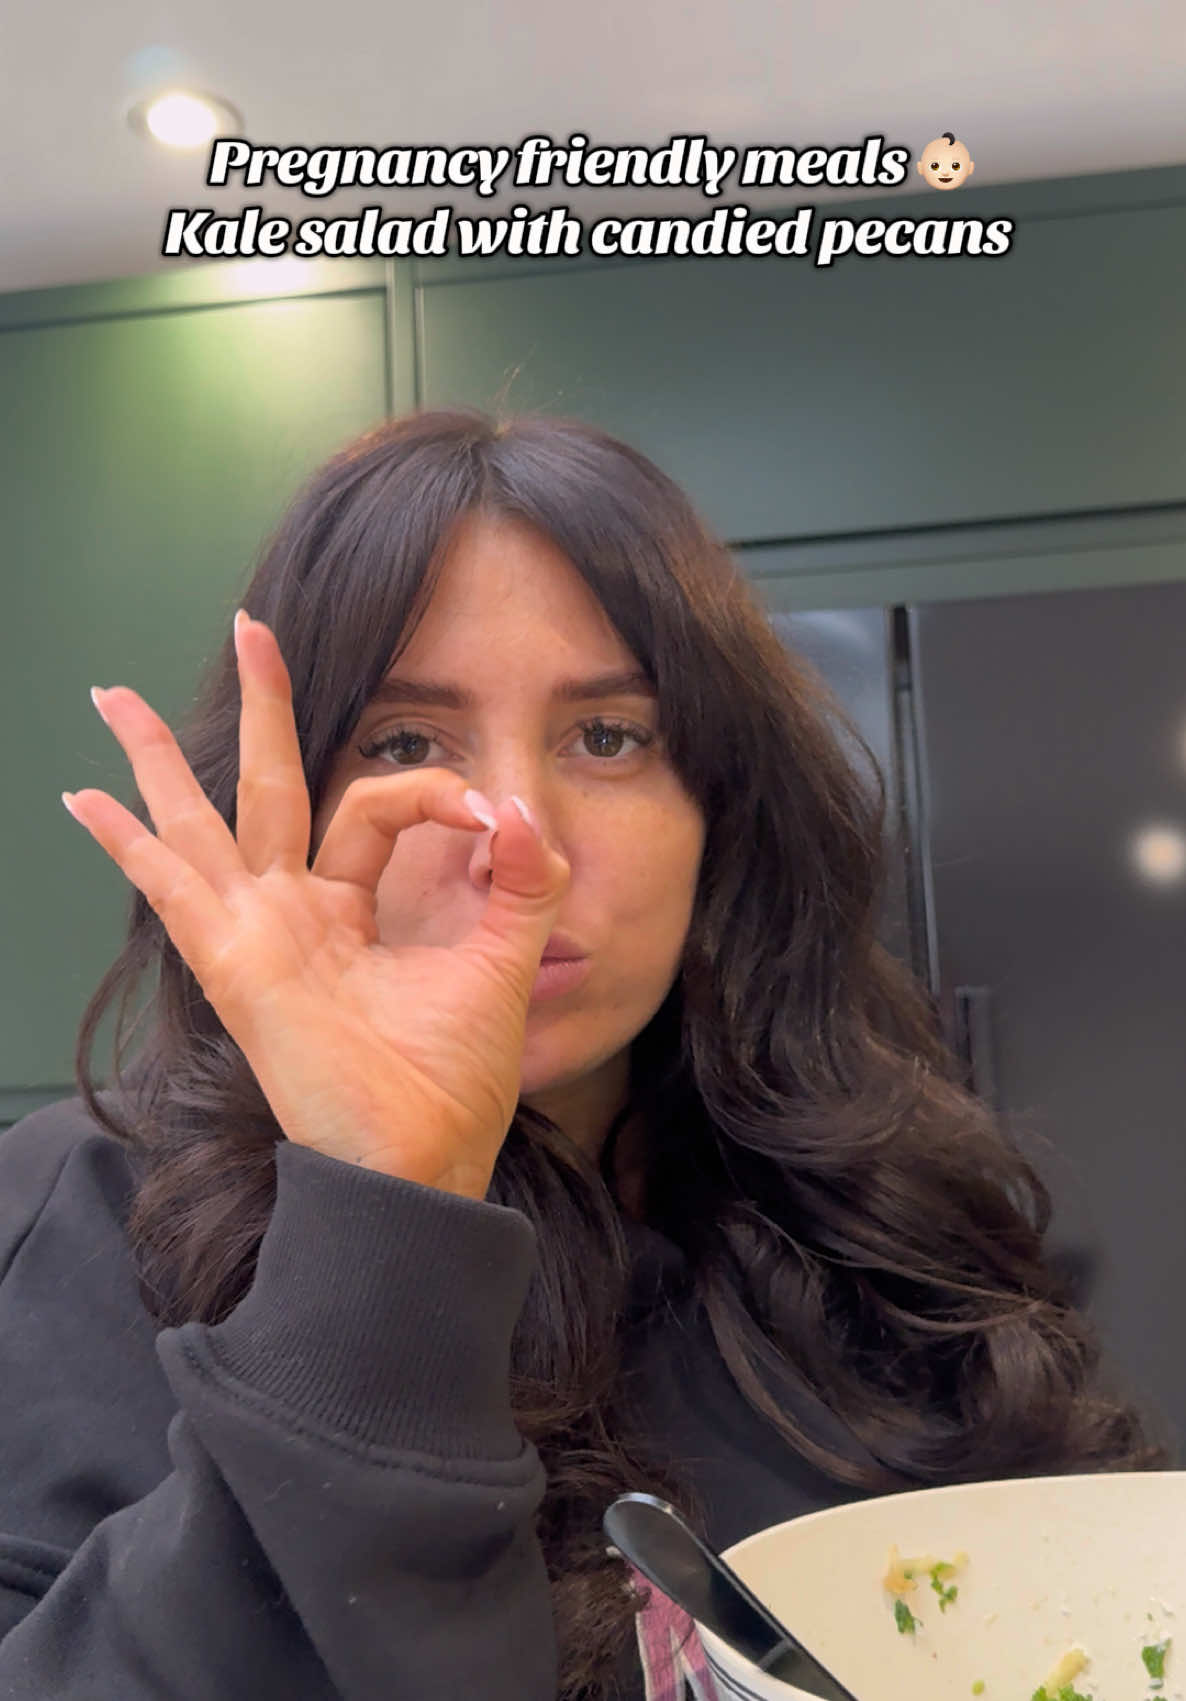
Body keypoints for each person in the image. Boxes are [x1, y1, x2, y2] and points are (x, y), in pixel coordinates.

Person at [0, 409, 1171, 1701]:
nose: (521, 847)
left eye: (605, 737)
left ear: (719, 812)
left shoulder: (885, 1202)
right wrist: (382, 1222)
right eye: (405, 741)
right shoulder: (90, 1213)